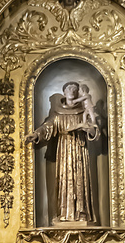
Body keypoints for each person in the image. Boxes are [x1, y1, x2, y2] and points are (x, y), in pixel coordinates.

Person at [26, 81, 100, 224]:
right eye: (68, 88)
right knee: (65, 179)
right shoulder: (58, 113)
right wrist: (36, 135)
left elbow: (93, 129)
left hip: (79, 148)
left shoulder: (82, 111)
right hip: (64, 150)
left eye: (74, 88)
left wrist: (88, 129)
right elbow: (48, 126)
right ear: (64, 92)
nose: (72, 90)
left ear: (78, 92)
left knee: (79, 178)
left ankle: (81, 213)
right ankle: (64, 213)